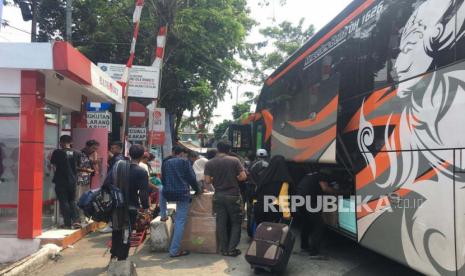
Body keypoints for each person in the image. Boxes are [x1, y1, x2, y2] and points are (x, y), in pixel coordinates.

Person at [104, 144, 150, 261]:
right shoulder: (141, 172)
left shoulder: (118, 167)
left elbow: (106, 184)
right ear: (141, 156)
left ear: (129, 154)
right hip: (131, 206)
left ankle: (114, 254)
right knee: (127, 232)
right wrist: (146, 209)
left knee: (116, 230)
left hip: (115, 205)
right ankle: (122, 258)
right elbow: (143, 193)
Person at [204, 140, 247, 257]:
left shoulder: (210, 163)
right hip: (233, 195)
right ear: (229, 150)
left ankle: (223, 249)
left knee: (221, 223)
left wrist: (216, 179)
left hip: (218, 196)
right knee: (236, 223)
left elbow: (207, 181)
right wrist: (234, 178)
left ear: (218, 149)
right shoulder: (234, 160)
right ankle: (231, 249)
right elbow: (243, 177)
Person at [161, 145, 200, 257]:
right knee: (180, 221)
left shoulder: (166, 162)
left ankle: (163, 214)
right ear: (182, 153)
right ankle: (174, 250)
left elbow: (163, 180)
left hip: (168, 192)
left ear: (174, 152)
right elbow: (192, 178)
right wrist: (198, 190)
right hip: (182, 193)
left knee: (160, 191)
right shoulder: (185, 162)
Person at [296, 167, 339, 257]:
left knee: (307, 222)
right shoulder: (322, 176)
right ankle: (314, 251)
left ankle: (304, 246)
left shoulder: (311, 175)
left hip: (299, 200)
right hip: (308, 201)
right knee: (319, 225)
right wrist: (339, 192)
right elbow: (325, 188)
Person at [50, 135, 81, 229]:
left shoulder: (57, 152)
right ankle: (76, 221)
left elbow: (53, 166)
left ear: (61, 142)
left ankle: (67, 223)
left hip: (60, 180)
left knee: (64, 202)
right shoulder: (77, 152)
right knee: (72, 200)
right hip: (72, 180)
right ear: (71, 142)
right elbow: (77, 167)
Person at [253, 155, 292, 225]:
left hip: (258, 209)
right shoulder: (283, 181)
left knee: (261, 232)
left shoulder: (263, 177)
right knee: (270, 233)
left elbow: (256, 192)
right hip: (272, 211)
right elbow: (283, 200)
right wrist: (287, 215)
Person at [76, 140, 100, 224]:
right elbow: (75, 167)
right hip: (79, 181)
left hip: (86, 180)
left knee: (86, 199)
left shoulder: (88, 155)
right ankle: (79, 218)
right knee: (79, 199)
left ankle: (85, 217)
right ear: (87, 146)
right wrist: (86, 170)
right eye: (93, 148)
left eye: (96, 149)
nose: (94, 150)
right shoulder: (79, 154)